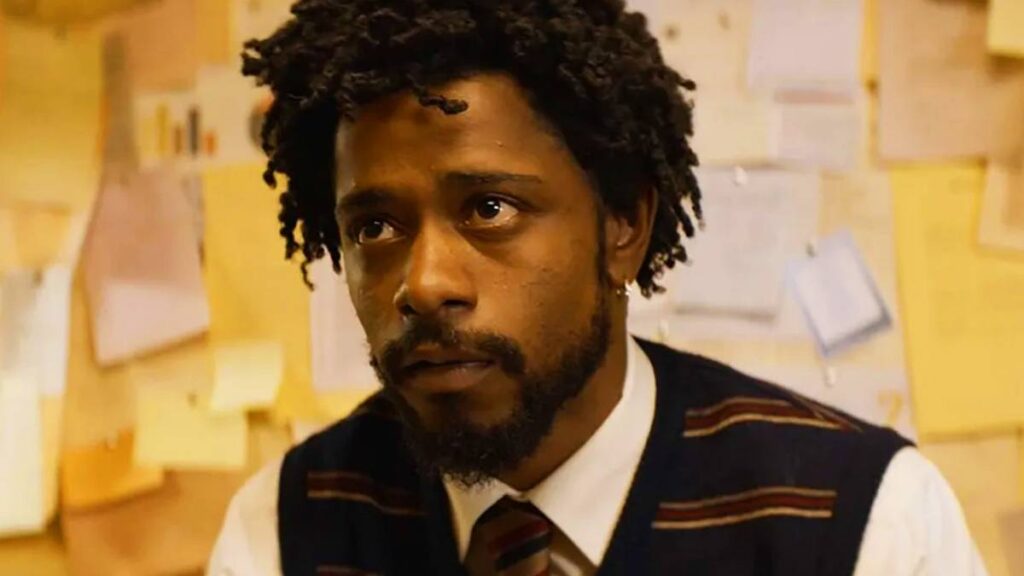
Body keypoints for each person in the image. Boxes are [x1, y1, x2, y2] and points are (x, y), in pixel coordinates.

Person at [208, 1, 986, 574]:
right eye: (375, 227)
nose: (424, 282)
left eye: (490, 209)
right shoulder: (284, 531)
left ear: (623, 228)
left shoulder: (860, 522)